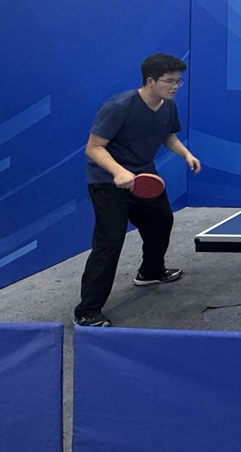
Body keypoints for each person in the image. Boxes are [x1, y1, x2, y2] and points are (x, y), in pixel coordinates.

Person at [73, 53, 202, 328]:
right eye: (169, 81)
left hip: (144, 176)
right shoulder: (119, 107)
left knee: (162, 221)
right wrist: (119, 171)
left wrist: (186, 155)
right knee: (110, 242)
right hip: (108, 181)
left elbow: (168, 135)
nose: (175, 86)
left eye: (178, 81)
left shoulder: (168, 105)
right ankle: (87, 310)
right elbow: (93, 148)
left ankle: (150, 271)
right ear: (150, 80)